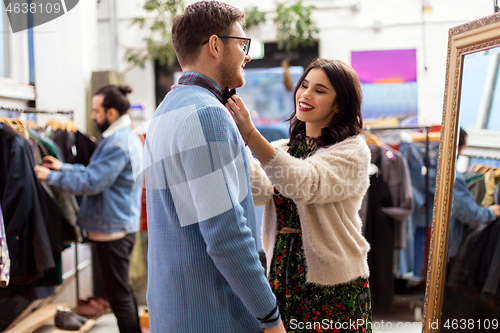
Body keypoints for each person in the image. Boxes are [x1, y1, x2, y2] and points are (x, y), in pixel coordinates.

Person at [143, 1, 285, 333]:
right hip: (214, 313)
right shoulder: (207, 113)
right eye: (243, 44)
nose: (247, 55)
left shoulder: (166, 110)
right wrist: (270, 317)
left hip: (175, 308)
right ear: (216, 45)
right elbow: (226, 235)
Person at [225, 58, 373, 332]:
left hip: (333, 282)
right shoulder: (283, 148)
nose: (305, 94)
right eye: (304, 85)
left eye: (320, 90)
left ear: (339, 104)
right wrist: (236, 136)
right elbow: (257, 193)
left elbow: (302, 183)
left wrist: (251, 133)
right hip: (282, 274)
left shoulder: (353, 150)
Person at [34, 85, 143, 333]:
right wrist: (62, 168)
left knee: (119, 295)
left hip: (113, 229)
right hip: (117, 224)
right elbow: (94, 174)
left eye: (96, 111)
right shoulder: (123, 137)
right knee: (120, 292)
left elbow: (92, 182)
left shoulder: (117, 143)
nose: (93, 116)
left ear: (111, 113)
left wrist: (49, 177)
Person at [448, 128, 500, 260]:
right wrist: (491, 212)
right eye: (461, 150)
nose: (459, 154)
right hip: (446, 245)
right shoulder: (454, 177)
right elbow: (470, 215)